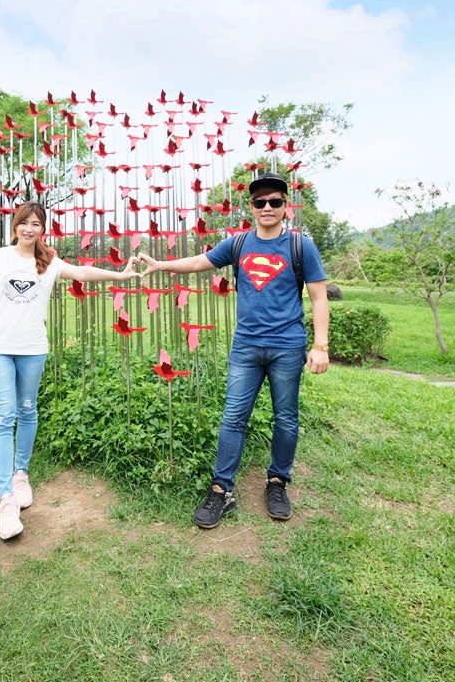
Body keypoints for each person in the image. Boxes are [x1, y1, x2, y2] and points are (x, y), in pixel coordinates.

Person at [139, 172, 329, 524]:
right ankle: (221, 490)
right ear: (252, 207)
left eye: (275, 201)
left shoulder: (301, 247)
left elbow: (319, 297)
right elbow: (200, 262)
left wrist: (320, 345)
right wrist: (161, 264)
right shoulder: (238, 243)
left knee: (285, 417)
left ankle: (277, 481)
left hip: (287, 346)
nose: (267, 207)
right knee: (232, 417)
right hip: (246, 347)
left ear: (286, 207)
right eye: (260, 202)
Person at [0, 201, 137, 540]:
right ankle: (6, 499)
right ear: (15, 226)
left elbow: (83, 273)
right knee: (3, 417)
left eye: (36, 224)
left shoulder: (48, 262)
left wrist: (120, 274)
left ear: (43, 229)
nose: (29, 229)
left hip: (33, 348)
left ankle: (21, 474)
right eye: (24, 223)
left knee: (28, 410)